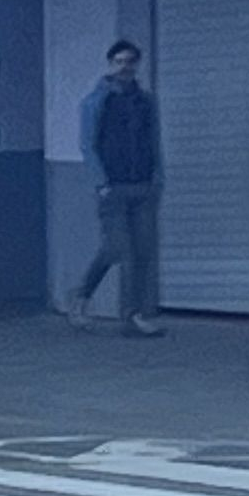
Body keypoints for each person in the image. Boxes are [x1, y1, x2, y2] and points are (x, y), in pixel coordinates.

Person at [71, 39, 163, 337]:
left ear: (137, 66)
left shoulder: (146, 101)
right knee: (117, 247)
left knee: (142, 252)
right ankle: (82, 296)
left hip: (143, 186)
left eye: (130, 62)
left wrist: (158, 177)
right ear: (111, 64)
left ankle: (133, 314)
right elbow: (88, 144)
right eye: (119, 61)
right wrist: (101, 182)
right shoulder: (96, 101)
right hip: (113, 188)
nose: (125, 67)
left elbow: (154, 140)